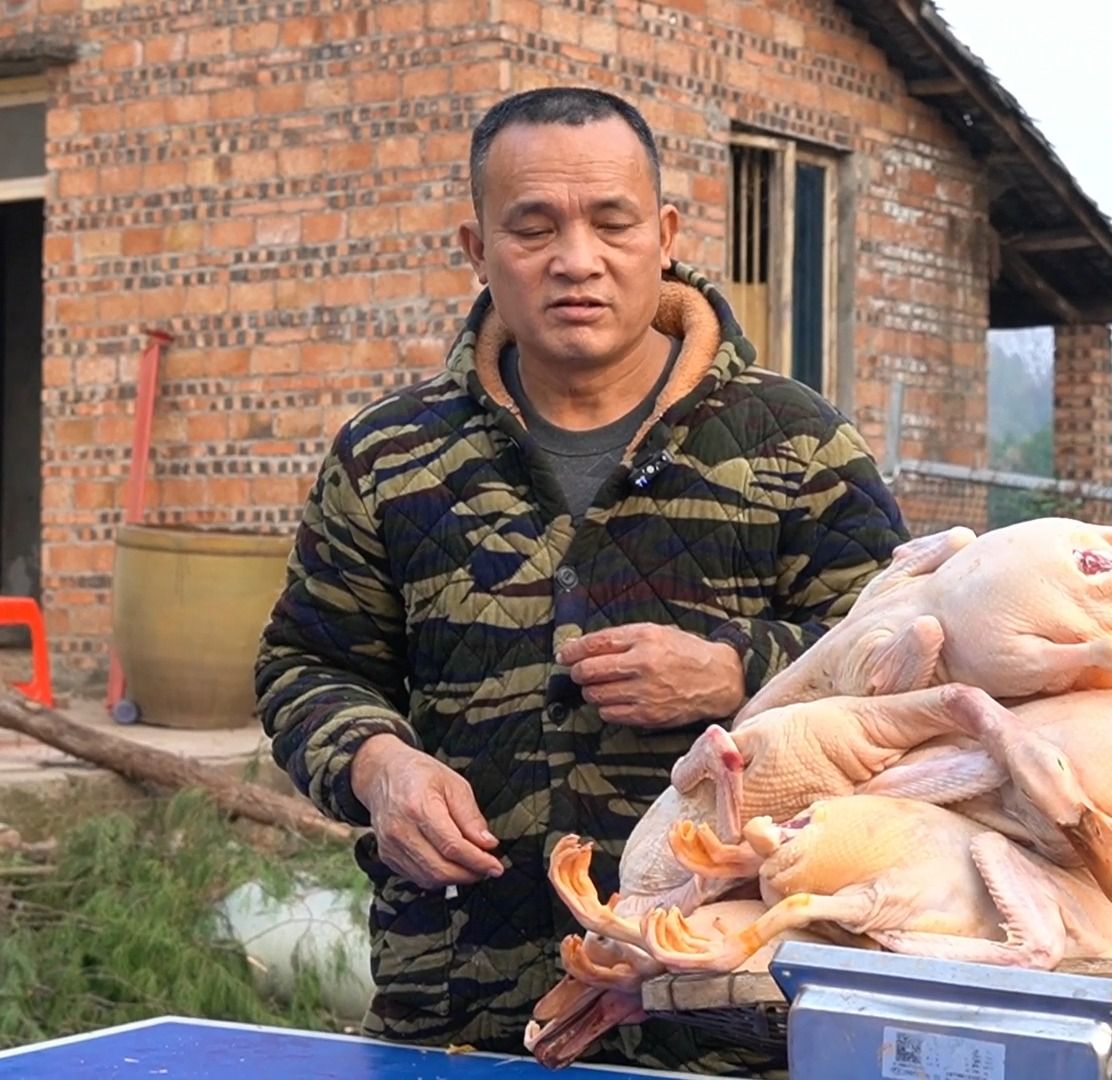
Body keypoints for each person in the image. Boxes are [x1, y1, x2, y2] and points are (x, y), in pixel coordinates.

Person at [255, 86, 910, 1072]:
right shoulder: (390, 455)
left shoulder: (798, 444)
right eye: (534, 227)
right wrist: (378, 767)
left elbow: (910, 672)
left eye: (612, 222)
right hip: (460, 1014)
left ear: (666, 230)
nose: (577, 259)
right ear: (476, 248)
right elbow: (307, 665)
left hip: (731, 1017)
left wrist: (736, 672)